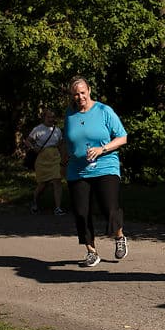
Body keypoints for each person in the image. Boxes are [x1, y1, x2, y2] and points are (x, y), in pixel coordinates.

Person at [62, 77, 129, 267]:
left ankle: (119, 236)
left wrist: (102, 149)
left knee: (109, 208)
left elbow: (122, 137)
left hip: (105, 166)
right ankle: (91, 251)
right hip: (77, 170)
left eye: (83, 92)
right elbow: (67, 140)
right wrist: (63, 160)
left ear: (89, 90)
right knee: (81, 213)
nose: (80, 96)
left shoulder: (103, 111)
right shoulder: (70, 114)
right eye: (76, 93)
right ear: (72, 95)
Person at [26, 109, 65, 216]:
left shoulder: (57, 130)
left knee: (57, 181)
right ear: (44, 118)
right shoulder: (38, 129)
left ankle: (58, 207)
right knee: (42, 184)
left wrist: (63, 158)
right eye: (49, 117)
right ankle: (34, 201)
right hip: (42, 158)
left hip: (55, 157)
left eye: (53, 117)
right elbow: (28, 141)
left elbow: (61, 145)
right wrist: (34, 148)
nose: (51, 119)